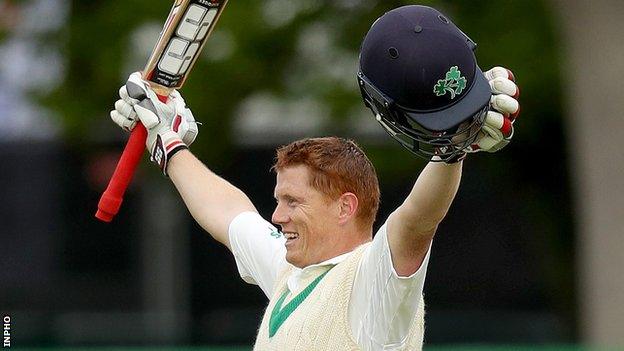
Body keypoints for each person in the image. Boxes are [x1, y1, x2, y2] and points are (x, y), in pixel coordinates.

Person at [110, 5, 520, 351]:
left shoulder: (372, 286)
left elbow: (417, 220)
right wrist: (168, 143)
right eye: (279, 200)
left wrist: (453, 149)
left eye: (293, 202)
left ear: (345, 206)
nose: (277, 216)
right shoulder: (294, 276)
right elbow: (229, 214)